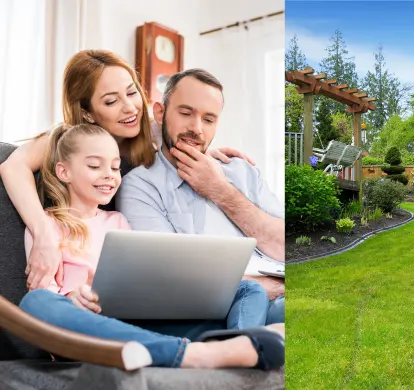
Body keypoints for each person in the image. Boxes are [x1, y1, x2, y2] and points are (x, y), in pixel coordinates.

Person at [19, 123, 284, 370]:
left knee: (247, 288)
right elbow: (44, 291)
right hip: (86, 332)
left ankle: (240, 346)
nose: (109, 176)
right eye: (94, 166)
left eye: (114, 167)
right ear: (64, 171)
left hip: (140, 322)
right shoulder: (44, 226)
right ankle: (198, 354)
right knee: (35, 302)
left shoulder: (118, 220)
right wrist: (72, 298)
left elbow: (140, 276)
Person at [0, 50, 252, 291]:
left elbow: (185, 133)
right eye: (111, 101)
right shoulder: (69, 140)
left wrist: (206, 154)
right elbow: (12, 166)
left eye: (132, 92)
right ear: (87, 113)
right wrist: (43, 234)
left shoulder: (150, 130)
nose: (130, 107)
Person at [116, 68, 285, 325]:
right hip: (237, 306)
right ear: (160, 113)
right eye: (185, 113)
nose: (196, 129)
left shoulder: (241, 170)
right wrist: (263, 287)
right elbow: (169, 275)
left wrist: (221, 191)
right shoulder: (141, 185)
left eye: (208, 119)